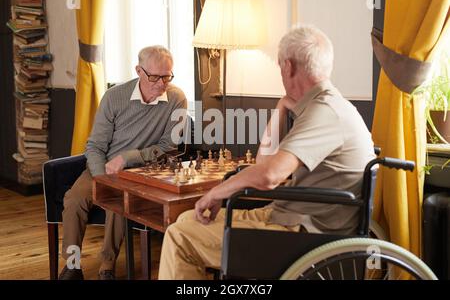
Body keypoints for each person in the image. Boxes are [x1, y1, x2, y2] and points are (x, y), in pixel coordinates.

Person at [158, 25, 375, 279]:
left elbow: (269, 175)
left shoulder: (324, 111)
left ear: (288, 67)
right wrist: (281, 107)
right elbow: (263, 162)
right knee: (187, 219)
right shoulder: (326, 105)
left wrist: (215, 193)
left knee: (179, 238)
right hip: (289, 216)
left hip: (302, 234)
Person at [59, 46, 187, 280]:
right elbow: (95, 146)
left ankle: (107, 267)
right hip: (103, 168)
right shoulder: (114, 96)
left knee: (119, 201)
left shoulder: (177, 99)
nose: (161, 84)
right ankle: (72, 265)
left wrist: (128, 158)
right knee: (74, 199)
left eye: (167, 76)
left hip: (142, 172)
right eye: (155, 77)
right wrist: (102, 178)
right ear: (138, 70)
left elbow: (170, 147)